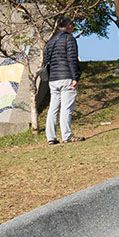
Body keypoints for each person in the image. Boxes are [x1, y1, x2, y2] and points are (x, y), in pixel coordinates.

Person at [42, 15, 84, 145]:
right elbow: (72, 59)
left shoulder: (50, 41)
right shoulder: (69, 39)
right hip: (66, 77)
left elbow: (45, 61)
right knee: (66, 108)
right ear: (69, 26)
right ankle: (67, 136)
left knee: (53, 108)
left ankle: (51, 137)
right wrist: (75, 77)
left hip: (53, 79)